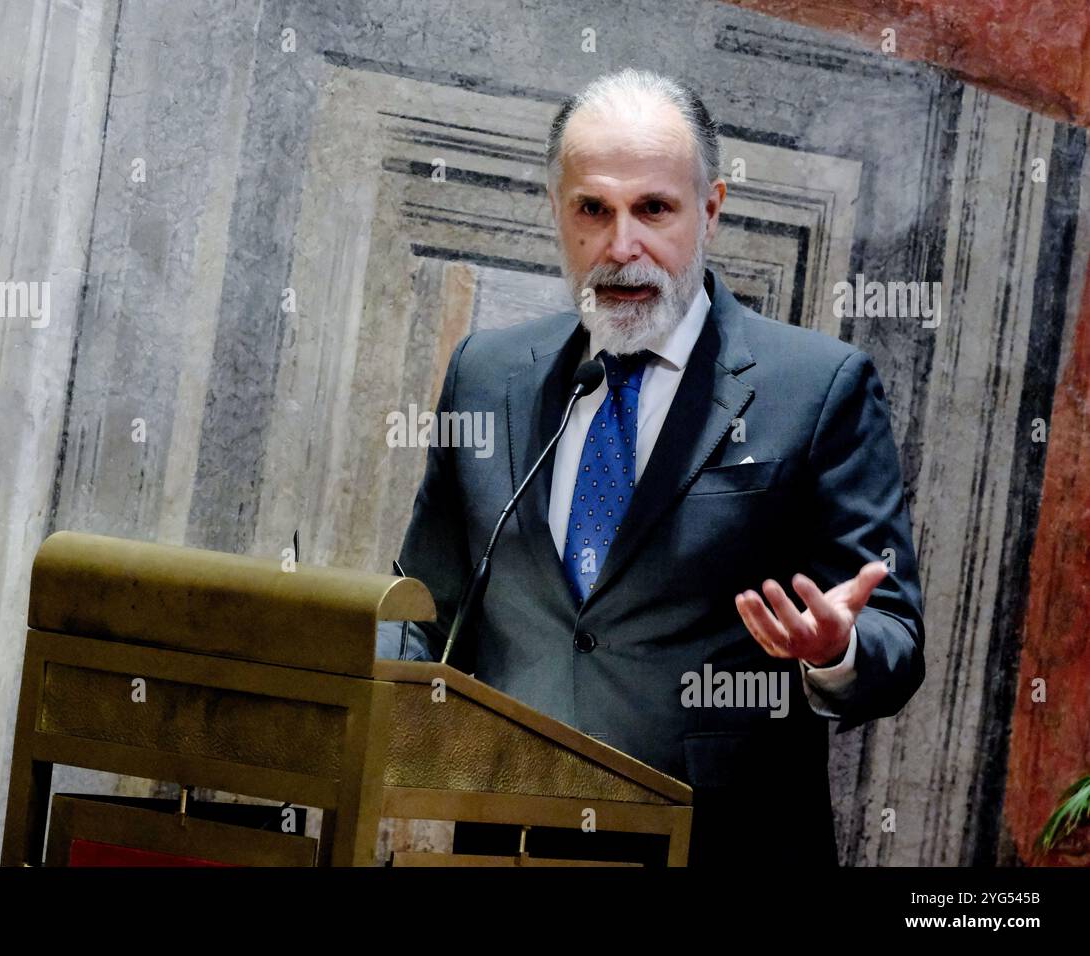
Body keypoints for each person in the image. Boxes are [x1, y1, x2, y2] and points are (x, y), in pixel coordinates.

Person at [378, 68, 925, 866]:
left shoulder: (817, 388)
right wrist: (324, 669)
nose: (620, 246)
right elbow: (429, 609)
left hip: (719, 842)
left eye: (654, 210)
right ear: (559, 213)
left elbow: (895, 639)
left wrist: (835, 650)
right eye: (592, 210)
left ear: (711, 210)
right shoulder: (488, 374)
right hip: (507, 835)